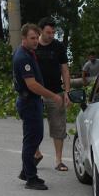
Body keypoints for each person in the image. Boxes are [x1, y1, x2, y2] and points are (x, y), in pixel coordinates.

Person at [12, 23, 63, 190]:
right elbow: (32, 85)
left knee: (35, 137)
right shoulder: (23, 57)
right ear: (24, 38)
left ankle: (27, 171)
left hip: (32, 101)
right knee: (32, 140)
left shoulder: (28, 52)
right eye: (32, 38)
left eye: (36, 37)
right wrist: (53, 95)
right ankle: (30, 178)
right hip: (29, 102)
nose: (35, 41)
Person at [35, 19, 72, 172]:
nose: (51, 35)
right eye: (48, 32)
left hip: (56, 92)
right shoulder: (33, 45)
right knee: (34, 125)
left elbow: (65, 70)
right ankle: (36, 154)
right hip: (35, 93)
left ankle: (58, 160)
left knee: (58, 126)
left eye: (53, 32)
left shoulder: (58, 46)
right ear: (40, 31)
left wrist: (67, 92)